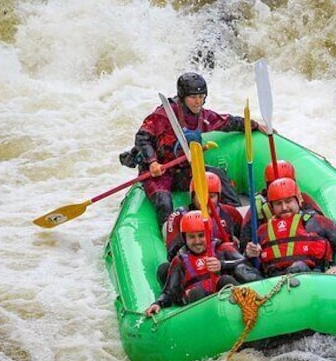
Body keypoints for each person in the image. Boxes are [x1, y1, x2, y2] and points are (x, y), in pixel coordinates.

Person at [130, 72, 265, 226]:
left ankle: (235, 222)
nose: (198, 102)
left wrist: (254, 125)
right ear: (183, 97)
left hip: (186, 169)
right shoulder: (163, 116)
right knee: (164, 202)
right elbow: (142, 138)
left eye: (201, 97)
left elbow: (228, 122)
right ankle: (171, 240)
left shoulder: (204, 116)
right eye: (193, 97)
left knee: (218, 176)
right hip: (160, 172)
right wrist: (152, 162)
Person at [145, 211, 262, 315]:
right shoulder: (179, 261)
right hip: (197, 302)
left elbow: (243, 263)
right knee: (196, 292)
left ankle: (246, 310)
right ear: (184, 238)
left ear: (209, 234)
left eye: (201, 235)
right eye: (191, 237)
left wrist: (222, 265)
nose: (197, 241)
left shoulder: (222, 248)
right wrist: (158, 303)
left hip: (222, 297)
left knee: (225, 279)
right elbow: (169, 291)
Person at [244, 178, 336, 277]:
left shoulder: (318, 222)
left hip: (311, 278)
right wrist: (249, 255)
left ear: (298, 200)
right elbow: (256, 266)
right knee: (241, 269)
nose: (284, 207)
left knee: (299, 266)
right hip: (274, 283)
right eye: (278, 203)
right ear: (271, 206)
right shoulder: (263, 231)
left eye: (288, 201)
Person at [239, 160, 322, 253]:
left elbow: (322, 227)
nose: (282, 188)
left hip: (303, 252)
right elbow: (245, 242)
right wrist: (252, 249)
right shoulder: (259, 206)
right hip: (273, 254)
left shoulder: (304, 199)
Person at [163, 171, 243, 260]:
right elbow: (172, 253)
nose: (206, 201)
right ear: (193, 196)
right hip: (192, 265)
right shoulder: (178, 217)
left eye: (211, 196)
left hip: (224, 262)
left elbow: (244, 242)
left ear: (218, 197)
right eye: (201, 196)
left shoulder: (231, 213)